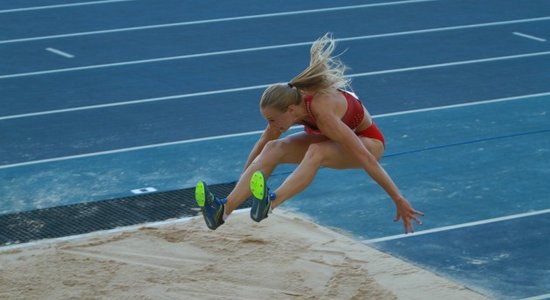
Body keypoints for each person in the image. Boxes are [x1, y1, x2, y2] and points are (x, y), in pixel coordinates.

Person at [195, 33, 424, 233]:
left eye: (272, 120)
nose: (271, 125)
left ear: (292, 110)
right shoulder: (289, 104)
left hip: (369, 144)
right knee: (273, 147)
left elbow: (365, 158)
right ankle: (221, 212)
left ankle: (270, 203)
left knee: (317, 151)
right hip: (329, 138)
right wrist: (241, 189)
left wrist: (398, 198)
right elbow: (262, 147)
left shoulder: (324, 113)